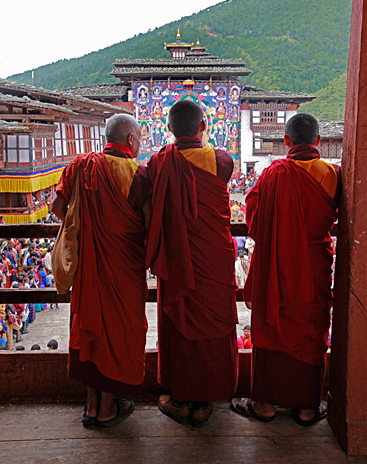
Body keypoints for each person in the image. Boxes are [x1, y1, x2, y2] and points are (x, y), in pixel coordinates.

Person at [231, 113, 340, 426]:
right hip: (313, 267)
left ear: (287, 142)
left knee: (271, 325)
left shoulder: (273, 173)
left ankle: (263, 404)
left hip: (276, 266)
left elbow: (253, 220)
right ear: (318, 141)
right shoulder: (332, 174)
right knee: (311, 328)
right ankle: (307, 408)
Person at [51, 113, 150, 428]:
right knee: (118, 334)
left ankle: (91, 405)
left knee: (90, 330)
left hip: (89, 269)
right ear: (131, 141)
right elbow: (148, 225)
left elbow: (57, 209)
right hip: (124, 270)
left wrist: (87, 228)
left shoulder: (80, 167)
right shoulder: (138, 174)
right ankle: (108, 408)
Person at [146, 99, 238, 428]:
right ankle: (205, 401)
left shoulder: (158, 163)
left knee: (179, 323)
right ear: (203, 128)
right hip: (213, 261)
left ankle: (181, 399)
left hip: (177, 263)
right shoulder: (221, 160)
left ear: (168, 129)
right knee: (213, 323)